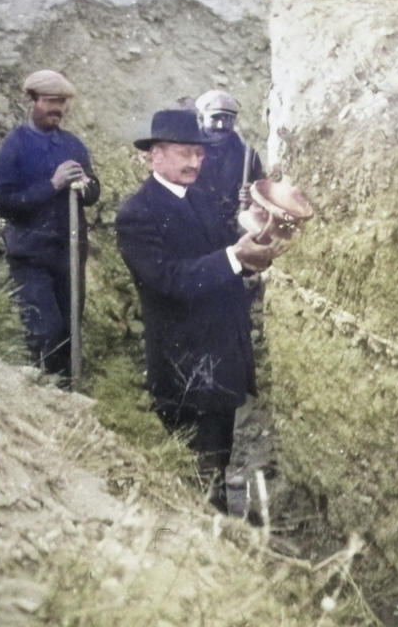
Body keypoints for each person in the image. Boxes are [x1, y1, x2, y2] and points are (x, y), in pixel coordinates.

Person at [115, 109, 281, 511]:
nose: (194, 162)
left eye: (199, 154)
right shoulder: (138, 213)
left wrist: (257, 234)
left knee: (219, 446)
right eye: (183, 153)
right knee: (198, 458)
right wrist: (234, 257)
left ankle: (218, 515)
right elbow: (169, 280)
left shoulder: (201, 198)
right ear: (154, 155)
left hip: (221, 349)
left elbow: (227, 248)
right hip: (184, 360)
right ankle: (209, 531)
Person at [0, 69, 100, 384]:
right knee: (45, 330)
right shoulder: (13, 147)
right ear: (33, 101)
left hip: (68, 253)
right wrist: (52, 185)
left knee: (70, 328)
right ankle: (44, 393)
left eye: (63, 103)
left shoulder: (73, 145)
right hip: (31, 255)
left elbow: (93, 194)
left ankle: (67, 396)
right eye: (52, 101)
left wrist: (86, 184)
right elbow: (6, 203)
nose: (59, 110)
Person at [192, 89, 265, 228]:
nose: (221, 125)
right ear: (201, 119)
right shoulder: (186, 152)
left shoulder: (248, 157)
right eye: (215, 118)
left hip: (231, 229)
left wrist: (252, 198)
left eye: (227, 119)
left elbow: (263, 195)